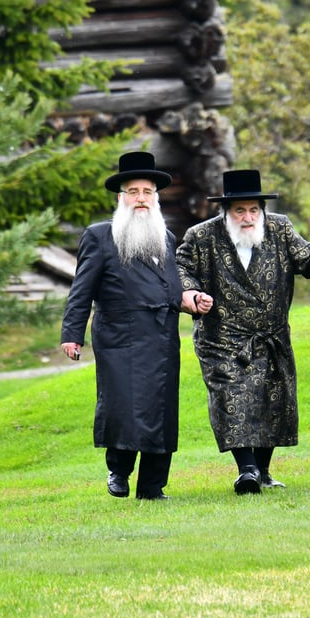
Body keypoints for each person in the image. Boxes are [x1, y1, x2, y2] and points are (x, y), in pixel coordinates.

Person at [175, 169, 310, 495]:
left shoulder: (280, 228)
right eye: (239, 210)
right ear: (225, 212)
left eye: (253, 209)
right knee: (232, 398)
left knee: (271, 401)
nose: (247, 217)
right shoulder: (202, 237)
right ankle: (246, 470)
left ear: (262, 210)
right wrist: (191, 294)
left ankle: (263, 470)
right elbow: (181, 268)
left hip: (271, 335)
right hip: (222, 339)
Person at [60, 151, 184, 501]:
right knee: (124, 407)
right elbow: (81, 289)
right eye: (133, 192)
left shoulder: (166, 238)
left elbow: (171, 286)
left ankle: (152, 487)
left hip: (162, 338)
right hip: (120, 338)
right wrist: (72, 334)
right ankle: (119, 469)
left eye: (147, 191)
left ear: (155, 198)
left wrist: (191, 300)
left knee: (162, 411)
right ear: (121, 198)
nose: (141, 198)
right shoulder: (100, 236)